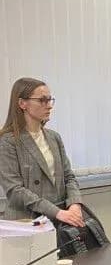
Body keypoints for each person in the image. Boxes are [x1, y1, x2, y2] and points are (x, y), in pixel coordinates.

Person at [0, 78, 84, 227]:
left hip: (61, 218)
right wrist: (56, 212)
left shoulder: (54, 137)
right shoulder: (8, 141)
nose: (49, 105)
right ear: (22, 104)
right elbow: (15, 190)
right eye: (42, 100)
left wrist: (74, 204)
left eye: (50, 100)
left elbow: (69, 177)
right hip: (27, 222)